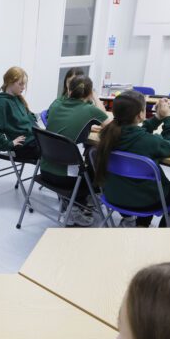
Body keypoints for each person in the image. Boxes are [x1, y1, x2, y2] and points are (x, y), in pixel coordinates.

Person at [93, 90, 170, 227]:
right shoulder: (149, 142)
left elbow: (137, 132)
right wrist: (168, 118)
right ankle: (164, 232)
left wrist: (157, 118)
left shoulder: (106, 135)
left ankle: (142, 225)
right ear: (140, 114)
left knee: (143, 184)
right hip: (144, 202)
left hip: (113, 196)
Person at [42, 76, 108, 227]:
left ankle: (75, 203)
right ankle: (77, 208)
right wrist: (95, 97)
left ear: (69, 89)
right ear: (89, 92)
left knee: (87, 156)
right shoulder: (89, 110)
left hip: (45, 170)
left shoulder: (56, 103)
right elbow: (110, 126)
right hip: (66, 179)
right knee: (97, 168)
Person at [0, 66, 40, 161]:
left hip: (35, 141)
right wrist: (9, 144)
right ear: (10, 82)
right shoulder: (1, 104)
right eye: (20, 84)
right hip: (25, 147)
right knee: (57, 152)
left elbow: (29, 119)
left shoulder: (18, 99)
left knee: (58, 147)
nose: (23, 87)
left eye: (24, 84)